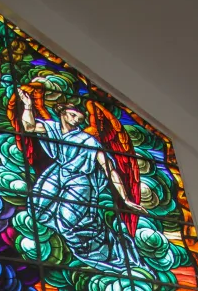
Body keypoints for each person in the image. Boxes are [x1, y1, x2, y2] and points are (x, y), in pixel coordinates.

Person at [18, 89, 147, 272]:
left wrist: (125, 199)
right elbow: (29, 127)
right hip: (58, 172)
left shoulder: (88, 141)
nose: (75, 120)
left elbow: (109, 169)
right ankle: (60, 249)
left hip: (80, 180)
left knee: (68, 221)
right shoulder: (53, 129)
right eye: (72, 115)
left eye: (79, 119)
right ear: (62, 113)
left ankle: (98, 253)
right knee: (37, 209)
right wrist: (28, 106)